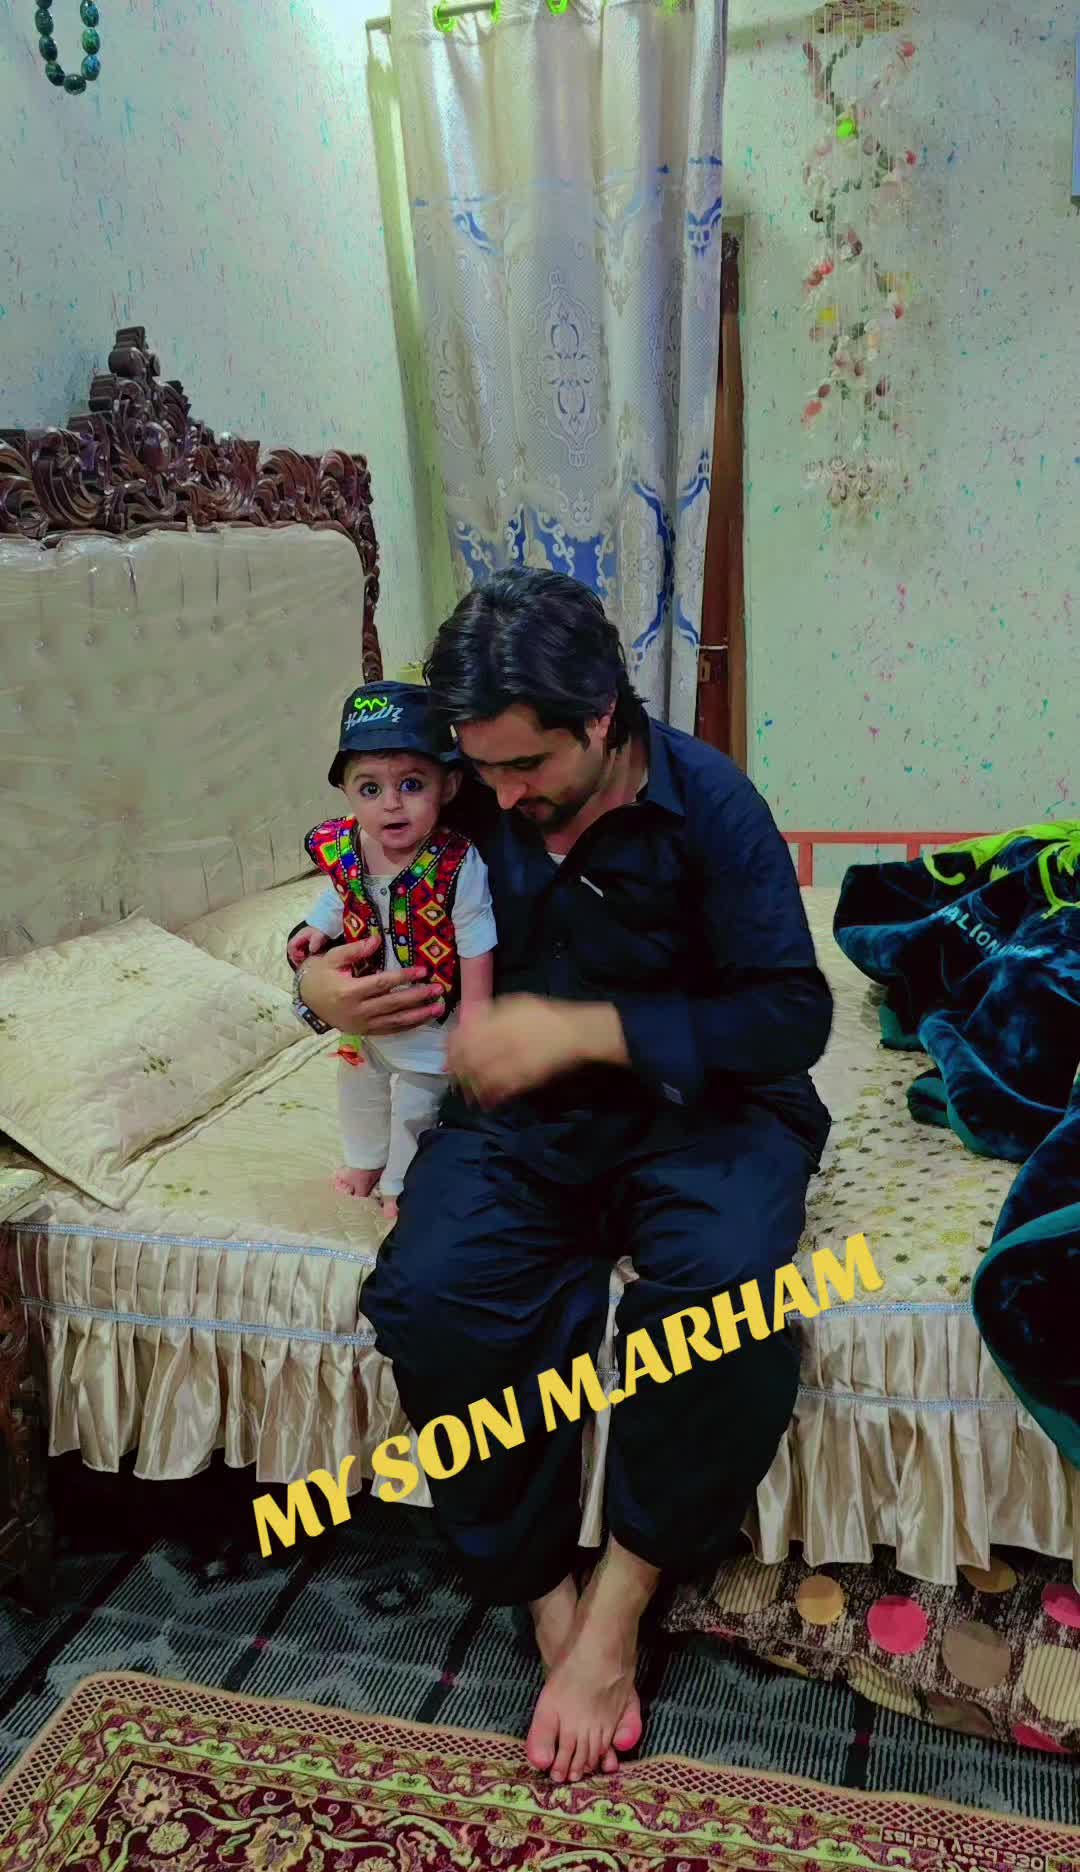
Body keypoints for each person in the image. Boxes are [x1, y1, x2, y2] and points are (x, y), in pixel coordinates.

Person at [292, 572, 833, 1783]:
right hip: (524, 1120)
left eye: (525, 767)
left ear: (599, 718)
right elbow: (351, 900)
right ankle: (546, 1595)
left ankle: (623, 1601)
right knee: (432, 1296)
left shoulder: (711, 806)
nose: (496, 796)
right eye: (475, 770)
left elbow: (792, 1017)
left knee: (728, 1301)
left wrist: (590, 1029)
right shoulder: (470, 789)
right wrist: (315, 983)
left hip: (706, 1113)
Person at [288, 681, 496, 1221]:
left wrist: (476, 1014)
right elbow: (341, 893)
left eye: (411, 784)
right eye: (370, 788)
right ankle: (364, 1161)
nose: (391, 804)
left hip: (429, 1009)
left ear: (449, 786)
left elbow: (476, 939)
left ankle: (401, 1183)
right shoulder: (348, 848)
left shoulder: (457, 862)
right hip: (364, 1005)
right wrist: (316, 929)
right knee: (357, 1084)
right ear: (346, 792)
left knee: (417, 1103)